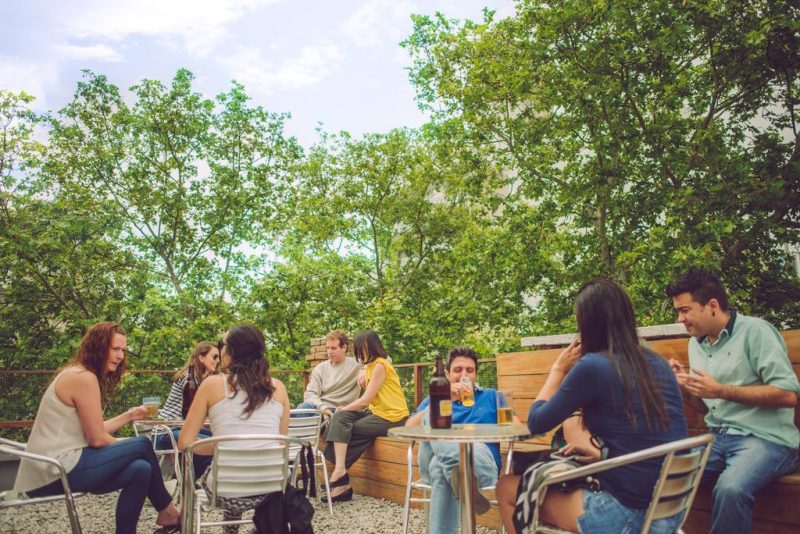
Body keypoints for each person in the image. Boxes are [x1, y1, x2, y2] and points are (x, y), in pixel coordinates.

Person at [496, 279, 688, 534]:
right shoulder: (658, 363)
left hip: (627, 514)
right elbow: (648, 441)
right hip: (670, 510)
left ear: (588, 324)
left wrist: (558, 369)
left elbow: (537, 422)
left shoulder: (594, 366)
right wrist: (602, 457)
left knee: (507, 488)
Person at [665, 268, 800, 534]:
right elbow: (702, 406)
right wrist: (684, 386)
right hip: (717, 438)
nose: (681, 319)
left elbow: (788, 395)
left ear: (712, 305)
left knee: (730, 488)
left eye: (685, 310)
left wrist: (722, 390)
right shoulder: (697, 343)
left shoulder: (756, 332)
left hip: (767, 439)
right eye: (678, 312)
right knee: (667, 475)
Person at [14, 321, 181, 534]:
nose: (121, 355)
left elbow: (95, 430)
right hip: (52, 471)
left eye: (123, 350)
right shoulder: (83, 378)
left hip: (63, 464)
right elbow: (97, 439)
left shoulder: (79, 373)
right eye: (115, 349)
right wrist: (129, 449)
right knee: (141, 445)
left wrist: (129, 416)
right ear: (99, 346)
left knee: (141, 469)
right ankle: (168, 511)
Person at [179, 324, 291, 534]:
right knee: (238, 467)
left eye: (222, 345)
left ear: (231, 352)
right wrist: (244, 447)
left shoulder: (212, 384)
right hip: (270, 487)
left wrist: (229, 447)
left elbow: (185, 443)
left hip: (224, 491)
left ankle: (228, 530)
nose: (220, 351)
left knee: (226, 470)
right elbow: (281, 444)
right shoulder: (279, 388)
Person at [405, 346, 518, 534]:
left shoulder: (491, 396)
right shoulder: (436, 395)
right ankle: (465, 486)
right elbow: (409, 428)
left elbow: (516, 426)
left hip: (480, 462)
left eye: (470, 370)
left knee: (439, 468)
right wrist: (444, 398)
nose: (464, 375)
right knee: (431, 413)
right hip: (435, 460)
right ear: (448, 374)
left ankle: (461, 480)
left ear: (475, 375)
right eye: (458, 370)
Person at [323, 329, 409, 503]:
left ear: (372, 347)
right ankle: (340, 471)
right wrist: (343, 411)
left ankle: (341, 480)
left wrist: (343, 408)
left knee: (349, 427)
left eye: (362, 348)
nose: (360, 352)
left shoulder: (380, 365)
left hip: (394, 417)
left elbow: (364, 401)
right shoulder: (370, 366)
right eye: (358, 348)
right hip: (376, 413)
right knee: (340, 420)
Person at [155, 341, 220, 477]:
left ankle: (184, 480)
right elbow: (193, 413)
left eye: (218, 357)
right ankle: (183, 481)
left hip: (181, 427)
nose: (217, 361)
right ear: (201, 358)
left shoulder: (202, 379)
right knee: (208, 445)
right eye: (214, 357)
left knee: (220, 439)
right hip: (166, 431)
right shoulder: (189, 379)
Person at [297, 330, 361, 425]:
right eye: (327, 348)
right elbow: (309, 394)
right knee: (302, 409)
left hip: (343, 411)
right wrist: (323, 408)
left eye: (333, 348)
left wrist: (364, 369)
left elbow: (385, 359)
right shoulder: (320, 368)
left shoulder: (356, 364)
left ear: (344, 347)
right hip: (322, 408)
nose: (329, 352)